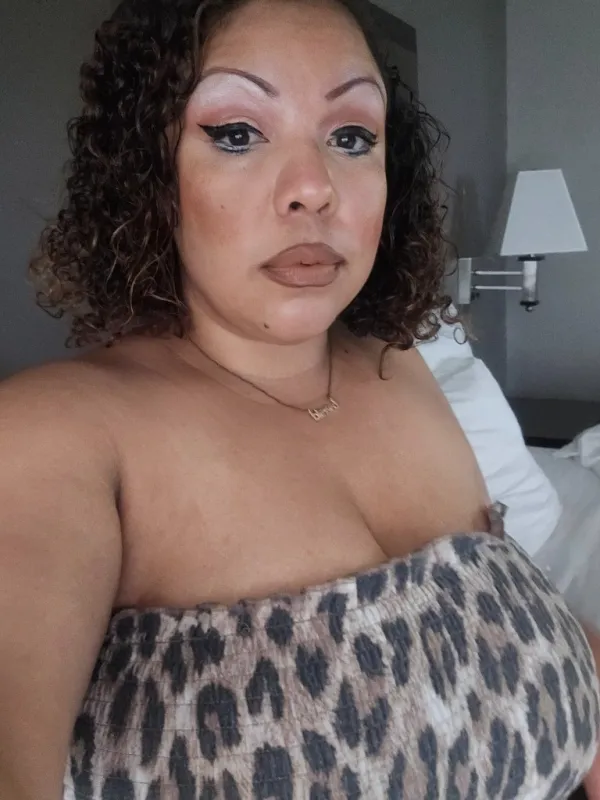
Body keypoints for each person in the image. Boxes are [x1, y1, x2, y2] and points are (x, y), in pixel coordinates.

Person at [0, 0, 599, 797]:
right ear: (149, 172)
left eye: (351, 137)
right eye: (236, 132)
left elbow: (504, 620)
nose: (315, 188)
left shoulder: (406, 364)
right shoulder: (52, 435)